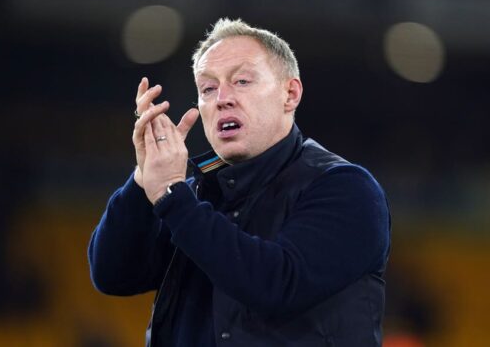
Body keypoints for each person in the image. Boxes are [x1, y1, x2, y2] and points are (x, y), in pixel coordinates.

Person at [88, 18, 391, 347]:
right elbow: (113, 275)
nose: (222, 98)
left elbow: (277, 286)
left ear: (290, 94)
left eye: (242, 81)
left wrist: (172, 195)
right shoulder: (193, 195)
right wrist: (143, 181)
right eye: (207, 88)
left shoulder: (345, 188)